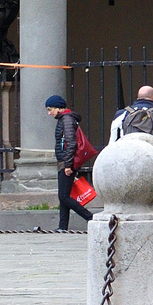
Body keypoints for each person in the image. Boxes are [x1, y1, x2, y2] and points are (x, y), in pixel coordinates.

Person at [45, 95, 93, 231]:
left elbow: (71, 143)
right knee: (63, 196)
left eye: (50, 109)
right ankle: (62, 227)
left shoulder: (66, 119)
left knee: (64, 197)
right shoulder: (66, 118)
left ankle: (90, 218)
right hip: (66, 161)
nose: (49, 113)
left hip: (66, 163)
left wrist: (67, 165)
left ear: (58, 108)